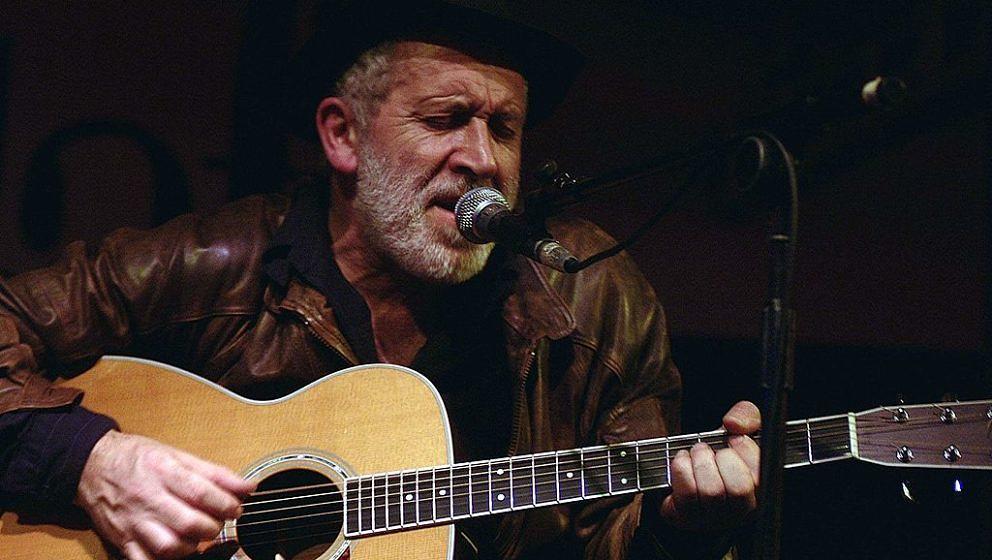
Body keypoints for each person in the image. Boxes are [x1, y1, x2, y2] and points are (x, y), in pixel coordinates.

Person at [0, 2, 760, 559]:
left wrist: (680, 528)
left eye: (503, 128)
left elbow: (609, 538)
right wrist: (93, 461)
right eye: (445, 119)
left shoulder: (595, 292)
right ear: (343, 135)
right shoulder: (216, 262)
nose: (483, 160)